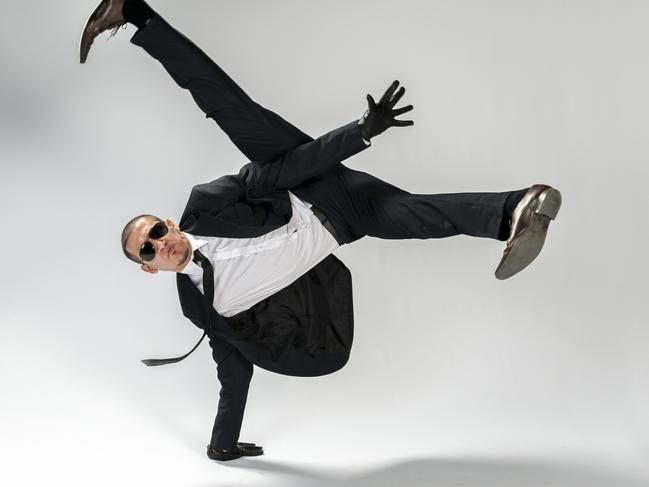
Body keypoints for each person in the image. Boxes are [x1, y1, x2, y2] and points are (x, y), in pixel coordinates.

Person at [80, 0, 562, 462]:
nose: (160, 241)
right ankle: (516, 211)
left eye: (157, 228)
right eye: (148, 248)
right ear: (148, 268)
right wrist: (222, 443)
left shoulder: (208, 205)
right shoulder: (203, 306)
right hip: (345, 223)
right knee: (418, 218)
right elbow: (233, 367)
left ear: (168, 220)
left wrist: (361, 132)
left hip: (303, 180)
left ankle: (137, 13)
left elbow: (280, 173)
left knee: (226, 106)